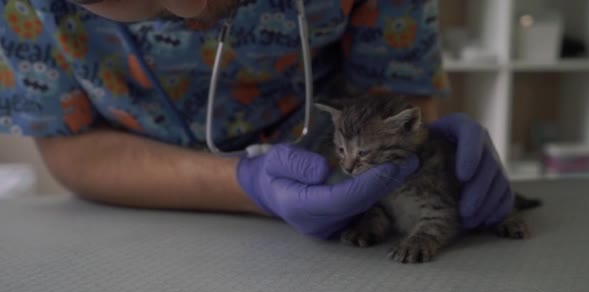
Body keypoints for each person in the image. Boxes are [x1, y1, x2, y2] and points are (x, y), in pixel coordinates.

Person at [0, 0, 514, 239]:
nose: (190, 5)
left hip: (343, 214)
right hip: (124, 225)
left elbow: (398, 107)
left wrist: (427, 156)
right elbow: (68, 144)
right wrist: (246, 185)